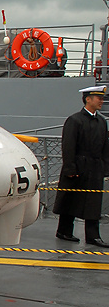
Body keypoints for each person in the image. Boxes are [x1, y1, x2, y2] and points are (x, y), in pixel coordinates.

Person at [54, 84, 109, 248]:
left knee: (93, 201)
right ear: (88, 99)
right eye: (99, 98)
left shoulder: (101, 121)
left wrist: (105, 168)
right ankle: (64, 231)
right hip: (78, 166)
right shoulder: (74, 120)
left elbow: (105, 147)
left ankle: (93, 235)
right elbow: (68, 145)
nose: (102, 101)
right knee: (70, 199)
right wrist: (70, 168)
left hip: (95, 167)